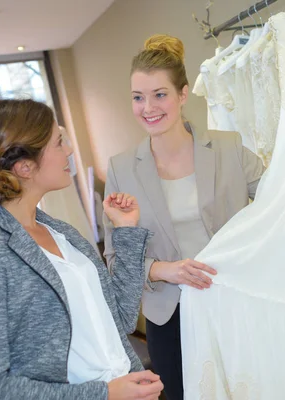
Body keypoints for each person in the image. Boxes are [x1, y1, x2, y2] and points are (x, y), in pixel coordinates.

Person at [0, 99, 164, 400]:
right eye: (59, 142)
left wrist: (125, 231)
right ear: (24, 166)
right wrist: (103, 394)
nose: (69, 151)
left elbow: (119, 320)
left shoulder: (63, 233)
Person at [103, 35, 265, 400]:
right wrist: (164, 269)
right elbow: (115, 260)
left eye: (159, 94)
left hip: (236, 300)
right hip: (168, 315)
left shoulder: (228, 147)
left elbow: (276, 201)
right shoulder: (121, 169)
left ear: (182, 94)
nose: (148, 107)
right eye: (138, 97)